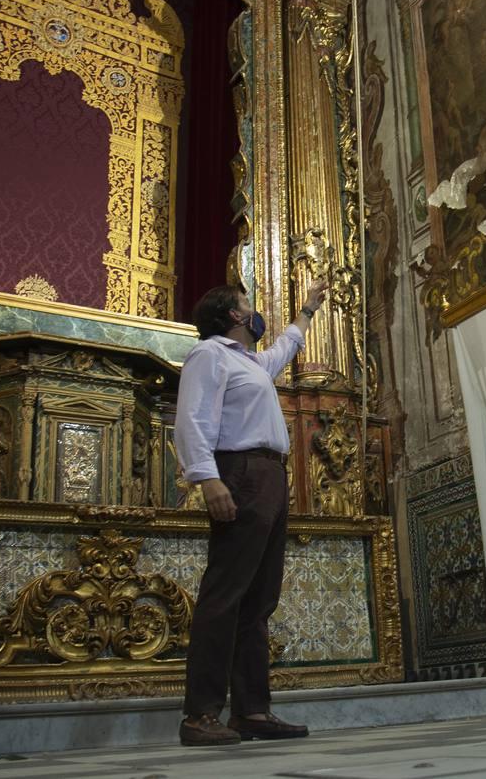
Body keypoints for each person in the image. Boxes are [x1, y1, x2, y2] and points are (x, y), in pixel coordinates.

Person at [175, 279, 329, 746]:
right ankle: (200, 714)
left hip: (268, 475)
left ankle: (251, 710)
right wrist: (208, 479)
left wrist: (306, 311)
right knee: (225, 593)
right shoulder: (210, 355)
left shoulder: (249, 362)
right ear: (234, 316)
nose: (255, 312)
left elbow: (282, 350)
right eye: (248, 305)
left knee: (258, 600)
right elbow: (192, 418)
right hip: (238, 471)